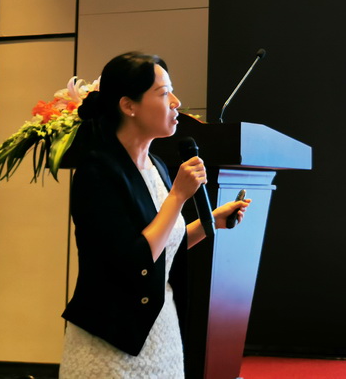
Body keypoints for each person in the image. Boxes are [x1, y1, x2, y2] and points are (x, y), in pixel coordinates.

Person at [59, 52, 250, 378]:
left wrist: (213, 222)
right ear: (128, 105)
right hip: (113, 338)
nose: (176, 102)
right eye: (163, 93)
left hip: (161, 331)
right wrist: (177, 197)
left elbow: (163, 245)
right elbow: (134, 258)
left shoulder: (157, 165)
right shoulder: (97, 171)